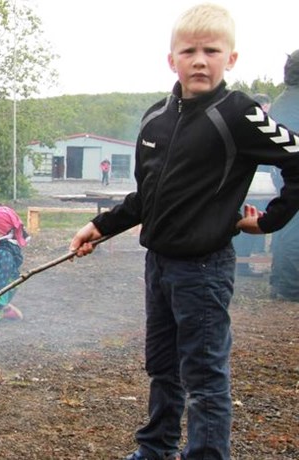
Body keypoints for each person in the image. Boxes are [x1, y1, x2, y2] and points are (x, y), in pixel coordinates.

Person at [69, 5, 299, 460]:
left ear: (230, 59)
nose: (199, 60)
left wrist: (270, 220)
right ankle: (155, 448)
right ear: (170, 59)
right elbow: (145, 198)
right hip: (158, 265)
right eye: (189, 51)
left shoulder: (239, 113)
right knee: (162, 366)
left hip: (205, 268)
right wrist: (99, 226)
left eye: (211, 51)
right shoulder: (155, 118)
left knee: (205, 376)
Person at [269, 50, 299, 301]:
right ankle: (291, 286)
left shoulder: (282, 101)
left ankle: (280, 281)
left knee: (285, 225)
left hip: (280, 173)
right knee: (294, 229)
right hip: (293, 172)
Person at [232, 93, 273, 277]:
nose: (265, 109)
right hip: (249, 185)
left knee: (256, 220)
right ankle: (241, 265)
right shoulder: (246, 125)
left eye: (266, 106)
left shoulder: (271, 125)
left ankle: (245, 263)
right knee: (245, 222)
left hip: (263, 186)